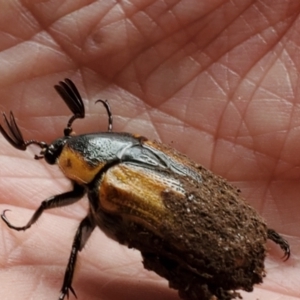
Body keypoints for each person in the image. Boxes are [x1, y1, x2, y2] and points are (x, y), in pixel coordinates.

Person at [0, 1, 298, 299]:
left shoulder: (109, 184)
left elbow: (55, 206)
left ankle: (66, 288)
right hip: (190, 221)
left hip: (196, 231)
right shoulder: (135, 144)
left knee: (83, 232)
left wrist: (30, 221)